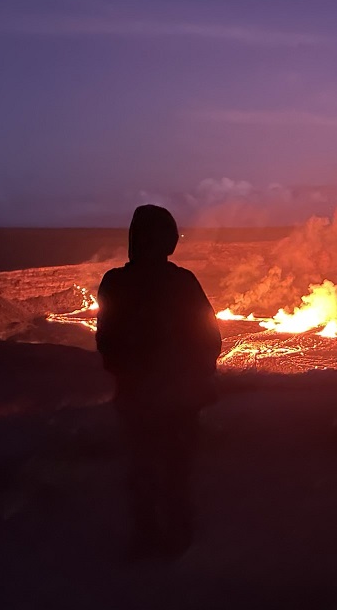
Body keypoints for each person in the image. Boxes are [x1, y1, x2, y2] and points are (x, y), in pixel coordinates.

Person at [96, 205, 222, 558]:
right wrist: (196, 375)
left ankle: (146, 537)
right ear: (168, 240)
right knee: (175, 469)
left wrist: (129, 374)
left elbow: (106, 341)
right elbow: (211, 338)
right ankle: (177, 539)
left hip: (137, 396)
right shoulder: (181, 283)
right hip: (178, 397)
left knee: (143, 466)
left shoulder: (115, 283)